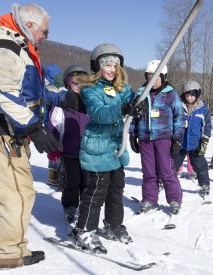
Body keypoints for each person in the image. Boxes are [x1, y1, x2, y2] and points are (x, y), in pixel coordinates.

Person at [0, 3, 85, 269]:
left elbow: (34, 92)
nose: (47, 36)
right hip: (1, 132)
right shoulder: (5, 48)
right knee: (17, 194)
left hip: (10, 131)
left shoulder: (21, 48)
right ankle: (8, 252)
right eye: (45, 31)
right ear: (29, 25)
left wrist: (65, 97)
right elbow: (4, 94)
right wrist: (34, 128)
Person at [72, 44, 139, 254]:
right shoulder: (91, 90)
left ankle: (113, 224)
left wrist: (139, 104)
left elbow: (132, 100)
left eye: (115, 65)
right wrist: (122, 109)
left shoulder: (122, 88)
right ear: (98, 67)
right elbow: (100, 113)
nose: (111, 69)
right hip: (98, 147)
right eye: (107, 65)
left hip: (116, 149)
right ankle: (84, 231)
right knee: (96, 191)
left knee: (116, 189)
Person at [129, 60, 184, 215]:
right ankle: (149, 199)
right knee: (149, 172)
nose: (152, 80)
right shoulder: (141, 93)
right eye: (149, 77)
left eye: (156, 77)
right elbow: (134, 117)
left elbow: (179, 117)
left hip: (164, 138)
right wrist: (133, 135)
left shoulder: (170, 94)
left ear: (163, 77)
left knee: (166, 171)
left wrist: (177, 139)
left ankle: (174, 199)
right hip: (145, 139)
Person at [49, 65, 90, 224]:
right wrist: (54, 148)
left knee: (87, 181)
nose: (78, 86)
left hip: (88, 152)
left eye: (82, 83)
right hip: (69, 151)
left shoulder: (89, 104)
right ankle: (70, 206)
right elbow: (54, 126)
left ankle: (85, 206)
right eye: (75, 83)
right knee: (72, 181)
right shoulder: (62, 105)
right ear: (67, 84)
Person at [173, 80, 212, 196]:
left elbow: (207, 126)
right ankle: (165, 182)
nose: (189, 98)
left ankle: (204, 184)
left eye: (192, 95)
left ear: (197, 95)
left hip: (196, 143)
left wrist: (204, 140)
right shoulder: (178, 106)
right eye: (187, 95)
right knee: (173, 164)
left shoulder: (203, 109)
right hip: (180, 143)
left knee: (200, 165)